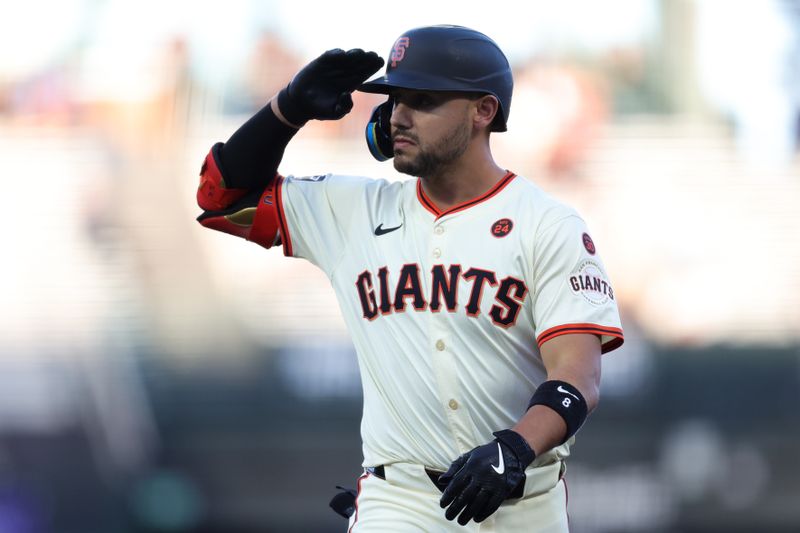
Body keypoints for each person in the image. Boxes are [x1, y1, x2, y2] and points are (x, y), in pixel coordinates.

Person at [195, 25, 623, 532]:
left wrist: (513, 449)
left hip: (522, 503)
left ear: (483, 111)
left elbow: (577, 380)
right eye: (395, 100)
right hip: (398, 502)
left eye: (423, 100)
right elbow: (221, 199)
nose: (399, 116)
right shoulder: (352, 211)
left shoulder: (547, 226)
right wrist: (288, 110)